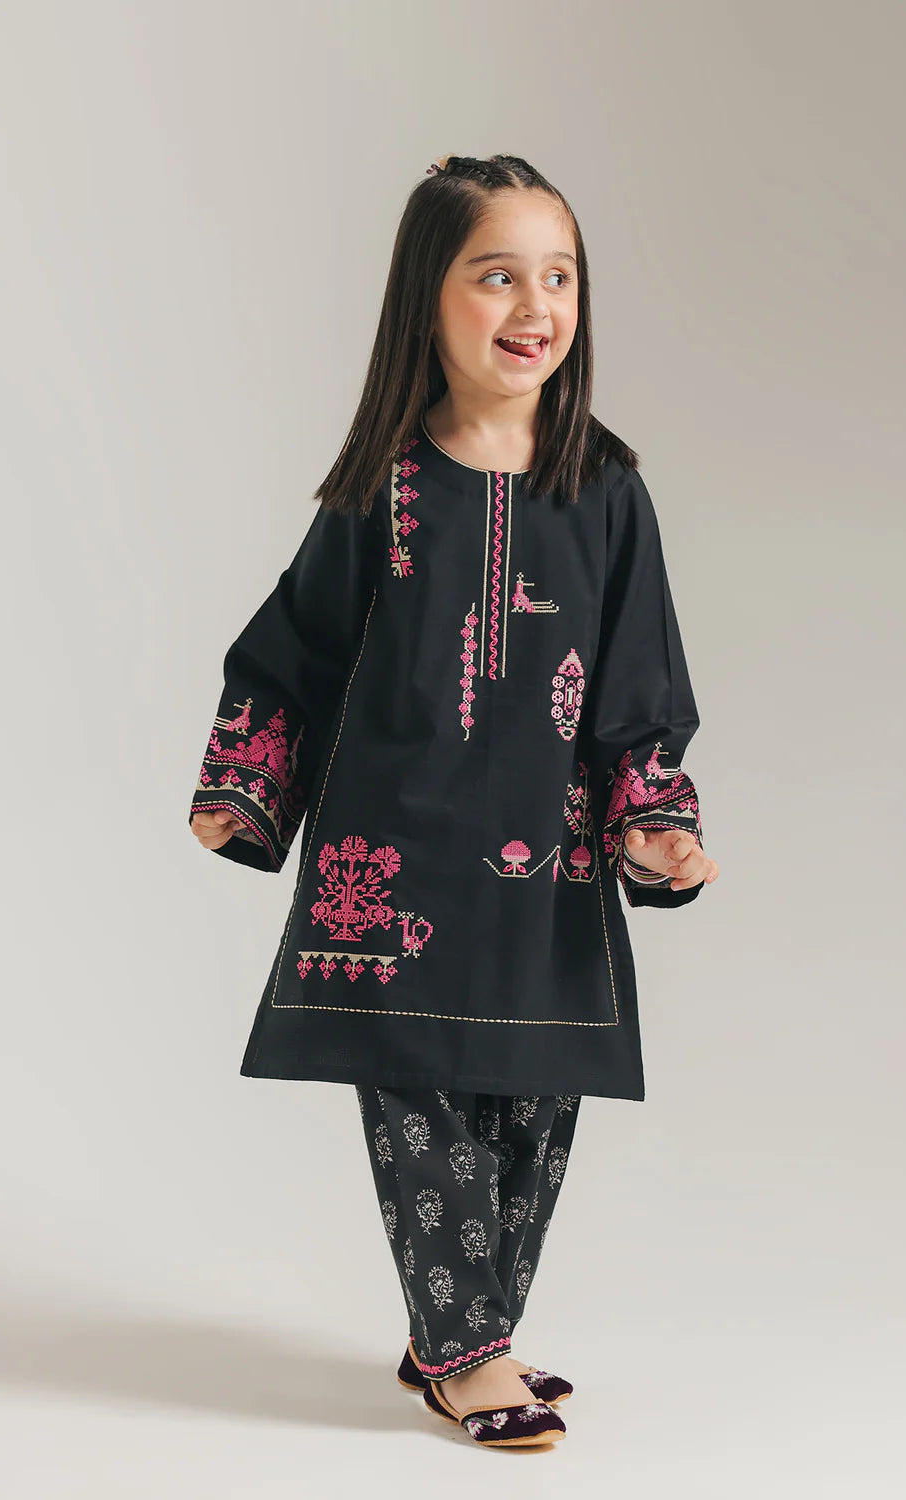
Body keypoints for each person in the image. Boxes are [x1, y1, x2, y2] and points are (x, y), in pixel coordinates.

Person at [188, 152, 719, 1450]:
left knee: (534, 1107)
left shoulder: (606, 489)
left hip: (550, 876)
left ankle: (458, 1334)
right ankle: (471, 1352)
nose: (535, 307)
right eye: (497, 276)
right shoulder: (384, 485)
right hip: (392, 871)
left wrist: (654, 817)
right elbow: (295, 651)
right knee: (420, 1104)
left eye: (560, 277)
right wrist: (247, 783)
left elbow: (639, 684)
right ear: (426, 297)